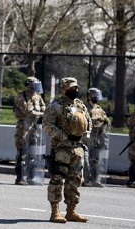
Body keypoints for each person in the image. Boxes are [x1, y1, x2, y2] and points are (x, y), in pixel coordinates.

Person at [43, 77, 92, 223]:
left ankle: (71, 211)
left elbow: (88, 122)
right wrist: (62, 135)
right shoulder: (55, 106)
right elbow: (47, 125)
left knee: (75, 180)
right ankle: (55, 212)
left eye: (76, 88)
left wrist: (85, 133)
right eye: (71, 88)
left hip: (77, 148)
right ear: (63, 89)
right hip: (61, 148)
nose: (75, 90)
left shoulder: (80, 105)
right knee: (58, 179)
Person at [13, 76, 46, 185]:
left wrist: (42, 114)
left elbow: (44, 109)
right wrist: (41, 114)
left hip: (35, 127)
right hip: (23, 127)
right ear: (28, 85)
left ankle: (31, 176)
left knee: (33, 152)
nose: (35, 88)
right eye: (33, 85)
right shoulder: (21, 97)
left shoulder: (38, 97)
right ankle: (20, 177)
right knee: (22, 151)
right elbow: (28, 111)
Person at [83, 87, 110, 187]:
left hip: (97, 137)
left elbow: (106, 120)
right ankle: (86, 179)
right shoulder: (84, 108)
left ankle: (95, 180)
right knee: (86, 160)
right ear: (89, 96)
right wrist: (99, 119)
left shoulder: (99, 109)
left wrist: (104, 120)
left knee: (96, 160)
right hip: (86, 137)